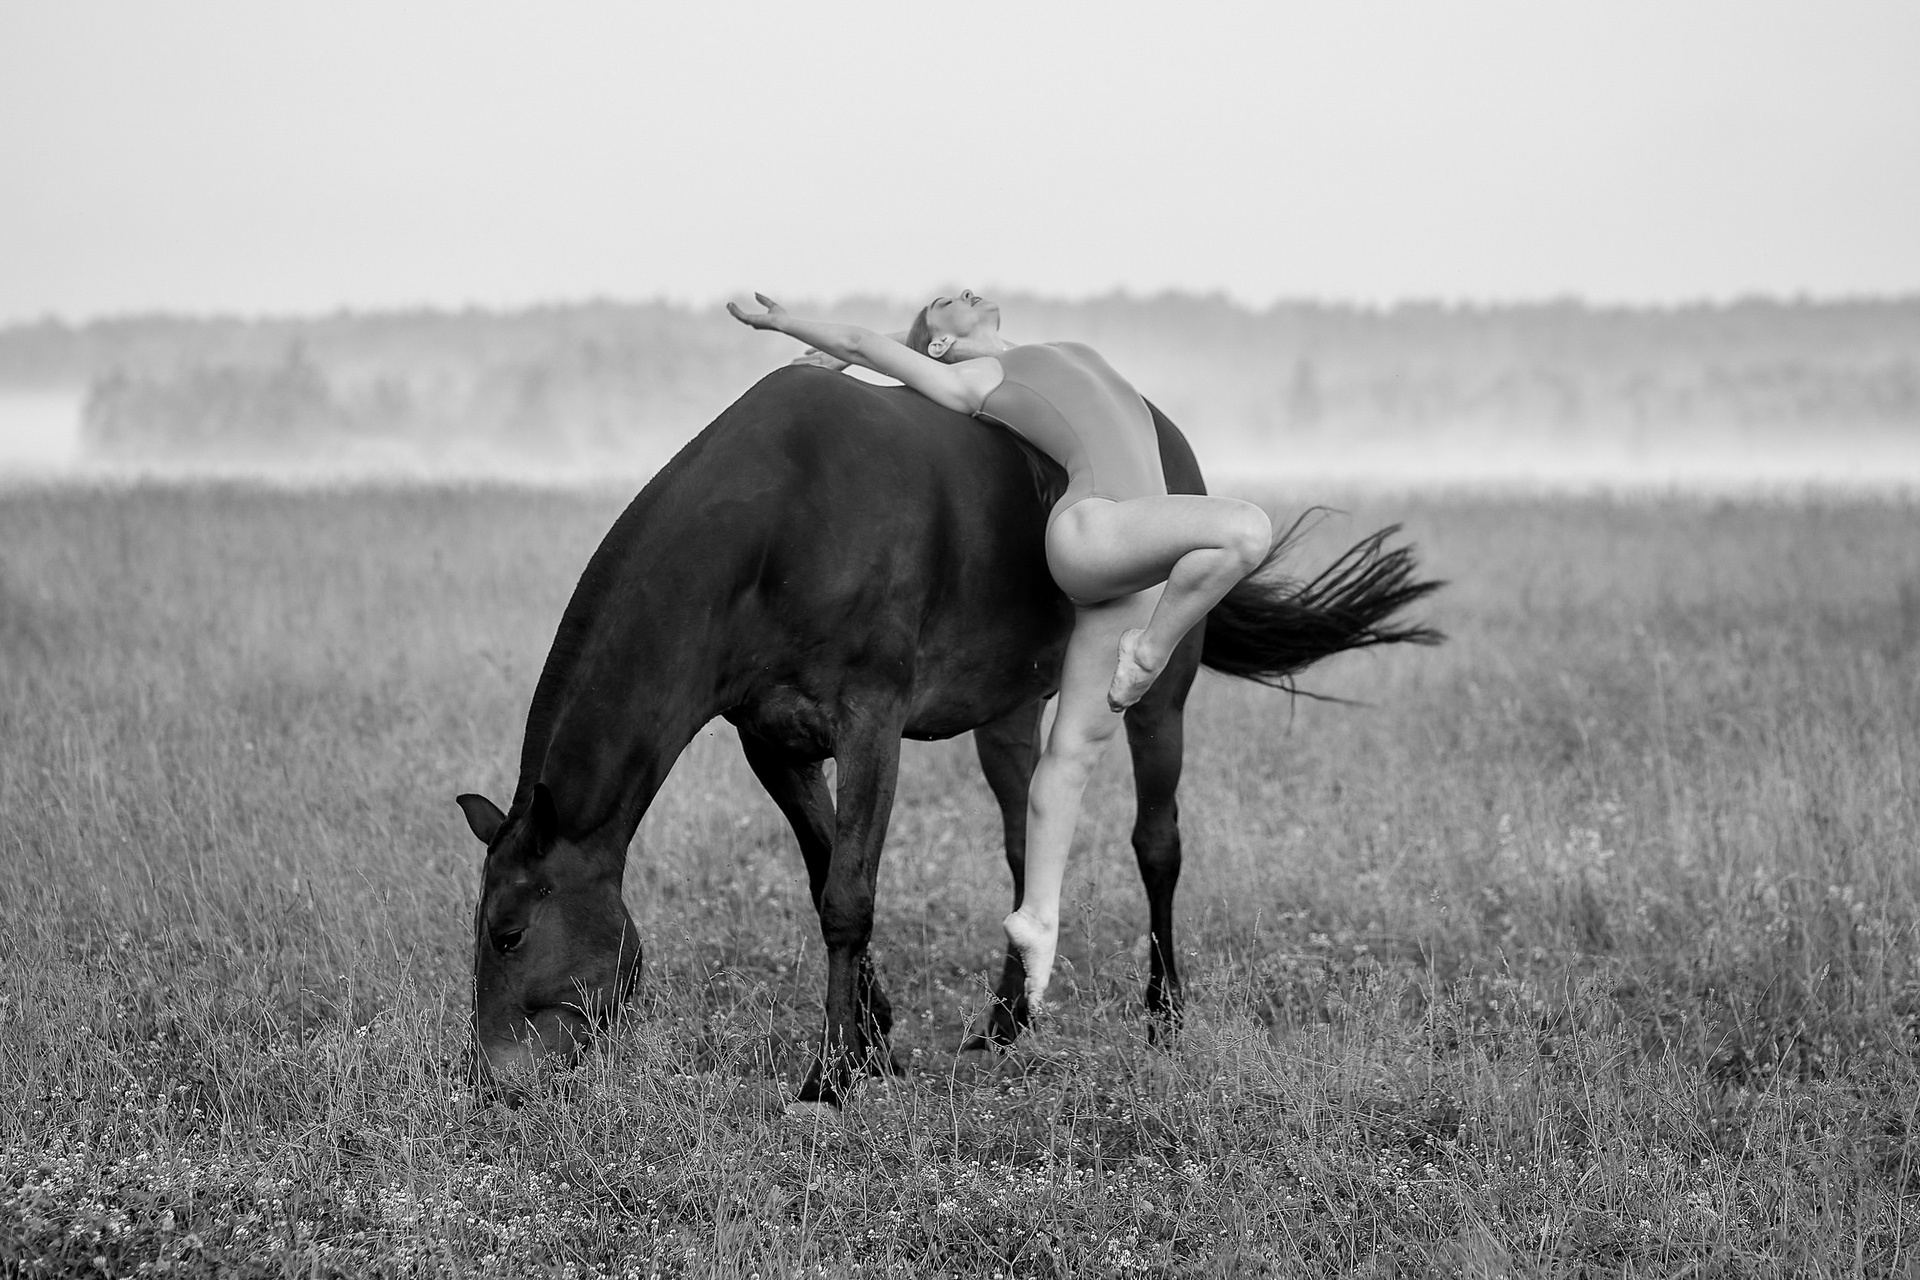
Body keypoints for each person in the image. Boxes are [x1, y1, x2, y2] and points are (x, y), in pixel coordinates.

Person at [729, 290, 1273, 1007]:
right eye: (944, 301)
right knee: (1246, 529)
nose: (963, 289)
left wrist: (901, 339)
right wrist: (785, 322)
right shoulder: (980, 381)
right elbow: (870, 345)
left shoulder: (1029, 356)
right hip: (1094, 532)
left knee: (1072, 754)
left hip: (1129, 567)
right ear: (941, 346)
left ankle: (1036, 920)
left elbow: (901, 341)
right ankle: (1150, 651)